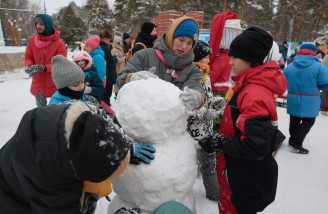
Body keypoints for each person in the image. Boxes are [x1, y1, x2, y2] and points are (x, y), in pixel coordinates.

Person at [198, 27, 287, 213]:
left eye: (235, 57)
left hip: (242, 180)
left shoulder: (253, 93)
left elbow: (255, 146)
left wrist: (220, 142)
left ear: (251, 59)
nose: (230, 62)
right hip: (237, 173)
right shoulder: (248, 85)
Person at [0, 99, 132, 213]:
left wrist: (124, 151)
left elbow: (102, 139)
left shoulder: (75, 129)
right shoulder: (49, 178)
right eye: (107, 178)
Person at [117, 16, 205, 111]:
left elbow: (195, 87)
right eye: (181, 40)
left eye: (189, 43)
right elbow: (121, 79)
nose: (184, 46)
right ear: (171, 36)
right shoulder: (144, 56)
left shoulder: (192, 70)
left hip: (171, 123)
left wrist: (197, 98)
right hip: (140, 120)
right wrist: (131, 77)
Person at [187, 40, 226, 201]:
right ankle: (182, 193)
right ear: (197, 57)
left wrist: (217, 102)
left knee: (209, 162)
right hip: (191, 134)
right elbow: (186, 107)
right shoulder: (191, 76)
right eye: (206, 58)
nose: (208, 61)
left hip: (206, 131)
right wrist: (204, 113)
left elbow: (206, 99)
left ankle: (214, 192)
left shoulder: (205, 75)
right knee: (189, 165)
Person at [283, 43, 328, 154]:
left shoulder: (290, 66)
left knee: (294, 119)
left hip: (293, 97)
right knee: (309, 120)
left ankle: (292, 140)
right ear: (314, 52)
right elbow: (325, 84)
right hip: (311, 99)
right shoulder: (319, 67)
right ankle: (297, 142)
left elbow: (283, 81)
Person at [24, 13, 67, 107]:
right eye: (36, 23)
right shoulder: (32, 41)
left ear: (48, 25)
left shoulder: (59, 44)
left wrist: (44, 68)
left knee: (55, 111)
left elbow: (61, 64)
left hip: (55, 83)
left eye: (41, 24)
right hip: (38, 82)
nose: (38, 26)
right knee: (41, 112)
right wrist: (29, 66)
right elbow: (28, 57)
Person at [208, 12, 242, 95]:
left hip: (217, 91)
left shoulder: (221, 59)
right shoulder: (231, 58)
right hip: (227, 90)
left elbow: (211, 78)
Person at [98, 29, 118, 106]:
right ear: (106, 38)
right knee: (106, 94)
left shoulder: (98, 46)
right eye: (109, 39)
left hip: (103, 74)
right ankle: (106, 110)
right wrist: (115, 58)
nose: (109, 41)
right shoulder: (105, 48)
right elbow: (110, 62)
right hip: (107, 74)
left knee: (103, 94)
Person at [111, 35, 126, 100]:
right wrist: (125, 58)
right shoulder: (114, 50)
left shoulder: (119, 48)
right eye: (121, 41)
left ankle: (119, 94)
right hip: (117, 69)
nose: (122, 42)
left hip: (121, 68)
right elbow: (116, 61)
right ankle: (117, 95)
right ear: (118, 42)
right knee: (117, 83)